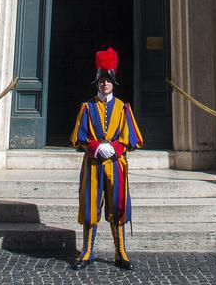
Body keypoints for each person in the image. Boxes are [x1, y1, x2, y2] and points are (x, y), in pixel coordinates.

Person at [70, 48, 143, 270]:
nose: (105, 84)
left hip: (115, 166)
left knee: (117, 207)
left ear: (113, 83)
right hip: (93, 165)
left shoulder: (123, 108)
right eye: (101, 81)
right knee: (91, 208)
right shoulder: (87, 107)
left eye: (108, 81)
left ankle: (120, 252)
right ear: (97, 82)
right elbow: (77, 138)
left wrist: (115, 149)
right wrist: (94, 146)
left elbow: (133, 139)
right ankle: (87, 251)